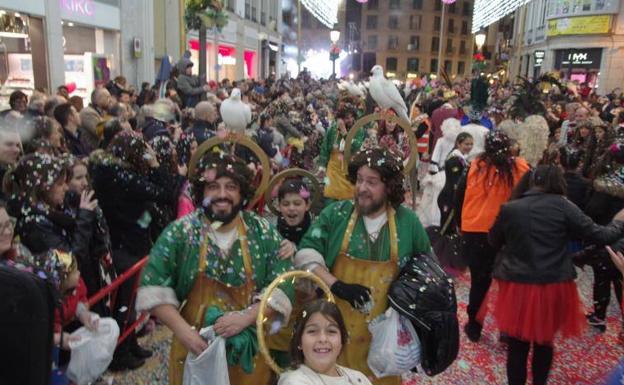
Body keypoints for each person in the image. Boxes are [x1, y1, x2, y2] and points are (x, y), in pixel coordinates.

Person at [136, 151, 295, 385]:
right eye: (213, 186)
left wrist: (246, 318)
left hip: (246, 352)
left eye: (230, 186)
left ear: (242, 192)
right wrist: (184, 333)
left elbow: (283, 283)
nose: (222, 195)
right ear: (202, 192)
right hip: (194, 349)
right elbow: (153, 284)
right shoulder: (182, 232)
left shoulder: (262, 232)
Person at [295, 148, 430, 385]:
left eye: (372, 182)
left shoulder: (408, 222)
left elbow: (428, 269)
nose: (362, 188)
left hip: (384, 344)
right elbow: (306, 253)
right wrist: (336, 285)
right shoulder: (336, 214)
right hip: (334, 335)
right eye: (359, 180)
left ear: (390, 187)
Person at [484, 165, 624, 385]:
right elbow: (600, 234)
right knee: (544, 342)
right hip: (553, 284)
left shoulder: (511, 208)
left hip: (517, 285)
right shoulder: (565, 207)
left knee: (517, 346)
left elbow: (493, 240)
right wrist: (619, 222)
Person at [90, 132, 176, 370]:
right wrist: (157, 165)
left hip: (125, 241)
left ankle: (129, 342)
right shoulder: (123, 177)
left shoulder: (109, 172)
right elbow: (166, 192)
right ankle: (120, 352)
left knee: (129, 300)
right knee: (124, 300)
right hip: (125, 244)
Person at [457, 131, 530, 342]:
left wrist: (460, 225)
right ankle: (507, 328)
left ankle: (474, 326)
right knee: (508, 283)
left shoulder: (474, 166)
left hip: (475, 232)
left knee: (479, 282)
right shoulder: (521, 168)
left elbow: (458, 196)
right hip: (507, 234)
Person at [278, 300, 373, 385]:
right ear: (299, 341)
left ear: (342, 340)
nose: (323, 339)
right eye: (312, 331)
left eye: (331, 331)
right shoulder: (294, 381)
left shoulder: (358, 378)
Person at [277, 179, 313, 245]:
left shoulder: (314, 232)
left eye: (297, 203)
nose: (291, 208)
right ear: (279, 207)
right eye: (285, 204)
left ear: (307, 205)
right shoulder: (274, 232)